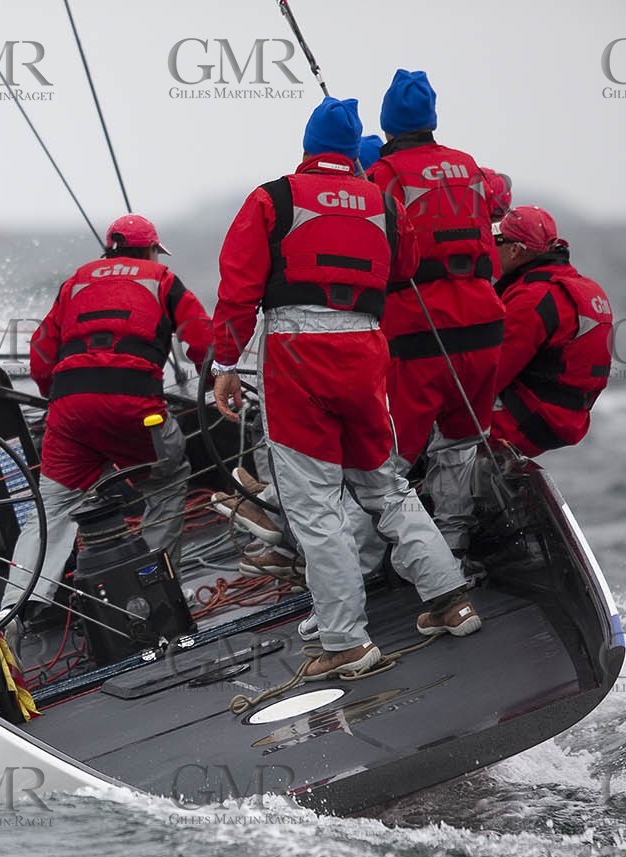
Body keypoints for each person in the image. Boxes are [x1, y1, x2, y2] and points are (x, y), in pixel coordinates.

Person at [212, 97, 480, 678]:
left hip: (296, 352)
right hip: (366, 347)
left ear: (307, 145)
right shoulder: (382, 201)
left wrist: (225, 364)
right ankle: (451, 600)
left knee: (315, 505)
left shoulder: (271, 198)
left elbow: (237, 288)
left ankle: (345, 642)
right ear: (351, 147)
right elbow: (406, 263)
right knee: (388, 487)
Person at [0, 214, 212, 626]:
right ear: (150, 249)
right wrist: (218, 377)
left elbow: (42, 352)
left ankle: (16, 609)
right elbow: (202, 340)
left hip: (69, 410)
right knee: (167, 480)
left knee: (52, 509)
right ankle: (152, 590)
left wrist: (59, 398)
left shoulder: (77, 280)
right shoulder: (162, 278)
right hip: (134, 410)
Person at [367, 70, 505, 555]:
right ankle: (454, 543)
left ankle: (373, 555)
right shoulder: (468, 166)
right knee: (461, 440)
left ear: (387, 123)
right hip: (485, 322)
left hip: (419, 327)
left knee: (392, 455)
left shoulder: (384, 175)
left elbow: (374, 249)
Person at [489, 205, 615, 455]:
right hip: (568, 421)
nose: (492, 247)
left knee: (440, 413)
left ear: (515, 250)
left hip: (528, 421)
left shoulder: (533, 299)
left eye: (498, 240)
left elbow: (490, 376)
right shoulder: (585, 288)